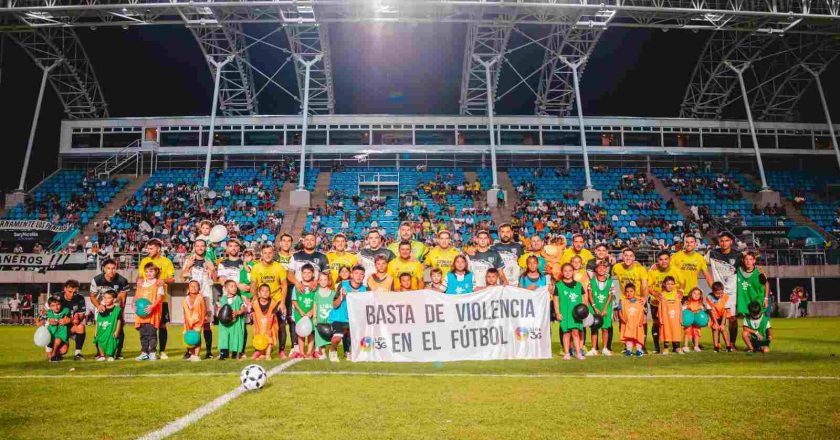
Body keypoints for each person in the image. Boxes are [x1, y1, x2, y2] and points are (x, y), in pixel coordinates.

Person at [138, 238, 175, 360]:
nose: (148, 250)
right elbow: (139, 278)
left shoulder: (167, 261)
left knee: (162, 325)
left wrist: (163, 280)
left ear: (158, 248)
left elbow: (172, 279)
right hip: (146, 299)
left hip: (161, 300)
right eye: (148, 248)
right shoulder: (144, 261)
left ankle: (162, 351)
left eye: (151, 248)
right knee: (146, 325)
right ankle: (146, 351)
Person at [250, 244, 288, 358]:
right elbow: (253, 285)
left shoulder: (279, 267)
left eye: (270, 253)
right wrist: (255, 300)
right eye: (265, 253)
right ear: (261, 254)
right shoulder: (256, 268)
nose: (267, 255)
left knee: (281, 326)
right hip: (262, 301)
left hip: (276, 300)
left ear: (273, 254)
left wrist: (282, 303)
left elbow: (284, 285)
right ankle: (259, 348)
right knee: (259, 326)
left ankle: (281, 350)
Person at [183, 239, 217, 359]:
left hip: (206, 296)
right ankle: (189, 350)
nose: (200, 248)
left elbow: (215, 279)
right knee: (190, 324)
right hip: (192, 298)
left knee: (207, 324)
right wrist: (187, 267)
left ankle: (208, 351)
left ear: (205, 248)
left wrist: (212, 269)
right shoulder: (189, 260)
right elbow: (183, 278)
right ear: (194, 247)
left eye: (202, 246)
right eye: (197, 246)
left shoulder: (208, 260)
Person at [707, 232, 742, 349]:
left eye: (726, 240)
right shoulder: (712, 254)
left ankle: (732, 343)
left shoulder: (738, 255)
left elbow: (748, 267)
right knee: (717, 319)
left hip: (732, 292)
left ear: (731, 242)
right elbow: (699, 263)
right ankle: (717, 344)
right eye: (722, 241)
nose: (724, 243)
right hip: (718, 294)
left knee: (732, 319)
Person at [90, 258, 130, 359]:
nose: (111, 271)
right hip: (101, 306)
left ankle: (118, 353)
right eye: (108, 268)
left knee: (119, 330)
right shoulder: (97, 280)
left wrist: (121, 314)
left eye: (113, 268)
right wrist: (98, 306)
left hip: (115, 306)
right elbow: (92, 296)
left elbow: (123, 298)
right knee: (100, 329)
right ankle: (100, 353)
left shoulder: (122, 280)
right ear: (104, 269)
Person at [646, 251, 684, 353]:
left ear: (669, 259)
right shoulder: (652, 271)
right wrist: (655, 294)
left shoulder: (675, 270)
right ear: (657, 260)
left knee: (674, 322)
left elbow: (682, 282)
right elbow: (648, 286)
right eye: (661, 259)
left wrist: (681, 291)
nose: (663, 261)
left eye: (666, 259)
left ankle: (676, 346)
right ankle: (657, 347)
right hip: (656, 302)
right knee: (657, 323)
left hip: (672, 303)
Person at [328, 265, 367, 361]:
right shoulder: (343, 285)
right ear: (352, 275)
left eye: (361, 274)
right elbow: (334, 305)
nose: (358, 276)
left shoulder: (365, 289)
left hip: (353, 319)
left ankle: (348, 352)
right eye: (356, 273)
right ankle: (332, 351)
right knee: (337, 338)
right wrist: (342, 297)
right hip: (339, 317)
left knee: (355, 337)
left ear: (364, 276)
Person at [554, 263, 585, 361]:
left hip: (576, 315)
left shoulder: (579, 285)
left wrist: (584, 312)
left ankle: (577, 352)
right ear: (562, 272)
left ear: (573, 272)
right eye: (565, 271)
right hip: (565, 313)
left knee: (575, 333)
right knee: (566, 333)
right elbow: (555, 300)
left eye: (570, 271)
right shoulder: (558, 285)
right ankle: (567, 353)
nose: (568, 273)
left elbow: (584, 299)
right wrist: (558, 313)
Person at [134, 262, 164, 361]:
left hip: (153, 314)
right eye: (146, 271)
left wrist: (152, 306)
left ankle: (152, 352)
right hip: (141, 316)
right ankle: (144, 353)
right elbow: (136, 297)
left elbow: (159, 298)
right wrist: (133, 304)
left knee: (152, 334)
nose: (148, 273)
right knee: (143, 335)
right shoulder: (141, 284)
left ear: (156, 272)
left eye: (151, 271)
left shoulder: (158, 284)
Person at [587, 259, 615, 356]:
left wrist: (605, 309)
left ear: (606, 269)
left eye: (604, 267)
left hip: (605, 307)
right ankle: (594, 348)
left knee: (605, 328)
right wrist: (594, 308)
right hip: (594, 307)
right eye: (599, 267)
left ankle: (605, 348)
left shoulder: (610, 282)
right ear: (596, 269)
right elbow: (590, 295)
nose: (602, 269)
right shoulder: (592, 281)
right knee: (594, 328)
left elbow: (610, 296)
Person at [292, 264, 318, 359]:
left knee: (311, 332)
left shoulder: (316, 287)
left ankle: (309, 352)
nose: (306, 275)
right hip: (300, 313)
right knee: (301, 333)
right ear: (301, 274)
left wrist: (312, 311)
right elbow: (294, 300)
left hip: (312, 313)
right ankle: (301, 352)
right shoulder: (297, 286)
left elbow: (317, 300)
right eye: (304, 273)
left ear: (313, 274)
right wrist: (300, 311)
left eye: (309, 273)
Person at [58, 280, 87, 361]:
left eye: (75, 292)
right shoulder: (57, 297)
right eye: (70, 291)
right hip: (58, 328)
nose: (72, 294)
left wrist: (75, 319)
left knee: (81, 327)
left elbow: (81, 316)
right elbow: (46, 311)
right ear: (65, 289)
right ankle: (54, 350)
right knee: (63, 351)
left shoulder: (80, 298)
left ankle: (78, 354)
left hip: (70, 327)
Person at [217, 279, 246, 360]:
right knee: (224, 337)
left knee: (235, 337)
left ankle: (235, 353)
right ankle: (223, 353)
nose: (234, 288)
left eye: (235, 286)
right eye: (231, 286)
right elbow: (220, 310)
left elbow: (243, 308)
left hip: (235, 323)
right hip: (224, 324)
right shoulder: (223, 298)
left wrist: (237, 312)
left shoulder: (238, 298)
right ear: (226, 289)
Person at [736, 252, 769, 317]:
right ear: (743, 260)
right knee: (748, 323)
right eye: (746, 259)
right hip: (746, 302)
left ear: (754, 261)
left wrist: (766, 298)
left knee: (760, 322)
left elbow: (766, 284)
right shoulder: (738, 271)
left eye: (750, 259)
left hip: (758, 300)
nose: (748, 262)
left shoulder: (759, 272)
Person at [655, 277, 683, 355]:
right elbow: (659, 307)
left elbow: (680, 308)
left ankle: (677, 348)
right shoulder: (662, 295)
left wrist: (681, 318)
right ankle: (666, 348)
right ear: (664, 284)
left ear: (674, 285)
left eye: (672, 284)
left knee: (676, 332)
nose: (670, 286)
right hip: (666, 318)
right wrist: (660, 318)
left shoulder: (677, 295)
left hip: (675, 318)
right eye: (668, 284)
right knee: (666, 332)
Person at [252, 283, 279, 360]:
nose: (265, 292)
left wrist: (268, 329)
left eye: (267, 291)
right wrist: (256, 327)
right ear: (259, 293)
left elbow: (272, 317)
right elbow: (254, 316)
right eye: (263, 291)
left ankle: (268, 354)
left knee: (269, 337)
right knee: (259, 337)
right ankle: (262, 353)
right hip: (259, 324)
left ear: (270, 293)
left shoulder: (274, 303)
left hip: (270, 325)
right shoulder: (254, 303)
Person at [94, 290, 122, 362]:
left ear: (114, 299)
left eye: (109, 298)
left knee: (111, 341)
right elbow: (97, 321)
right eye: (105, 298)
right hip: (101, 329)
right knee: (100, 340)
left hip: (111, 329)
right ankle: (102, 355)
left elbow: (119, 321)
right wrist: (95, 331)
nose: (106, 300)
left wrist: (117, 331)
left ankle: (110, 355)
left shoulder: (117, 310)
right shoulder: (101, 309)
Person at [619, 283, 645, 357]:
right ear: (625, 292)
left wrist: (641, 320)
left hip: (637, 324)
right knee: (629, 336)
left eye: (631, 291)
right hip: (628, 323)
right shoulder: (623, 302)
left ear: (634, 292)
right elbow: (619, 311)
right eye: (627, 291)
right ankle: (628, 350)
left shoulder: (639, 301)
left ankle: (639, 350)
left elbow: (642, 312)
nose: (629, 293)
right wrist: (622, 318)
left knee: (638, 336)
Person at [313, 272, 335, 359]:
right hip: (320, 319)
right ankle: (322, 353)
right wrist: (314, 317)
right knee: (320, 336)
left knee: (331, 335)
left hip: (330, 319)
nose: (323, 281)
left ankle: (332, 351)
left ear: (328, 281)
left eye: (325, 279)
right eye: (321, 280)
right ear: (318, 281)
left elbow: (335, 305)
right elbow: (315, 305)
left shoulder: (333, 293)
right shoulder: (317, 294)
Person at [182, 280, 206, 362]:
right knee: (189, 338)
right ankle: (192, 354)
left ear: (199, 288)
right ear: (188, 288)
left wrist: (202, 322)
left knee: (197, 338)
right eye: (191, 286)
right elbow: (185, 312)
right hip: (188, 322)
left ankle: (197, 355)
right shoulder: (185, 299)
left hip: (198, 322)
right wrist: (185, 323)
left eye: (196, 286)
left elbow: (203, 311)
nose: (193, 288)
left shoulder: (200, 298)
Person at [706, 281, 733, 352]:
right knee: (715, 329)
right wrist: (715, 323)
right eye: (718, 293)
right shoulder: (709, 297)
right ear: (713, 291)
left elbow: (725, 311)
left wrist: (722, 324)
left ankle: (728, 347)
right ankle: (716, 347)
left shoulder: (726, 297)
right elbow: (711, 311)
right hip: (714, 315)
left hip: (723, 315)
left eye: (721, 293)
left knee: (723, 329)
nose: (720, 295)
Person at [42, 297, 71, 362]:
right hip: (51, 336)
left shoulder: (65, 310)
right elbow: (50, 319)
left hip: (62, 335)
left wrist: (67, 320)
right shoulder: (49, 312)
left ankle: (55, 355)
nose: (56, 307)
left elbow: (68, 318)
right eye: (53, 306)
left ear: (61, 304)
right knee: (51, 359)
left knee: (64, 350)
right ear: (50, 307)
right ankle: (53, 355)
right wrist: (52, 321)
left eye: (58, 304)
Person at [683, 287, 705, 353]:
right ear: (691, 294)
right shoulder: (687, 302)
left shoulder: (700, 303)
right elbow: (682, 310)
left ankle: (696, 346)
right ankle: (685, 346)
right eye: (694, 293)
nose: (696, 295)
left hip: (696, 321)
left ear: (700, 296)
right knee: (687, 332)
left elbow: (703, 312)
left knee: (697, 333)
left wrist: (700, 311)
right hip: (689, 320)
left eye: (698, 294)